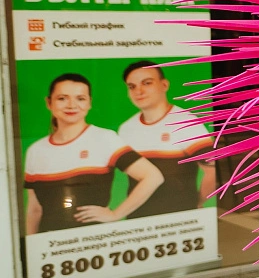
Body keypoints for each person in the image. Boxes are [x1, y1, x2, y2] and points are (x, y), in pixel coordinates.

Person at [24, 73, 164, 234]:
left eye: (80, 98)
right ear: (49, 103)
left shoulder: (104, 138)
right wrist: (31, 242)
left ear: (89, 103)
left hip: (94, 241)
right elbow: (35, 209)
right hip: (52, 243)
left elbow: (153, 177)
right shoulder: (36, 150)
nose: (71, 105)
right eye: (62, 98)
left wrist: (115, 214)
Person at [118, 61, 216, 215]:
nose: (139, 91)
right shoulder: (126, 129)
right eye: (132, 86)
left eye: (147, 83)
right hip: (137, 219)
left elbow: (212, 171)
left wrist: (197, 203)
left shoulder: (185, 122)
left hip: (178, 219)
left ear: (164, 85)